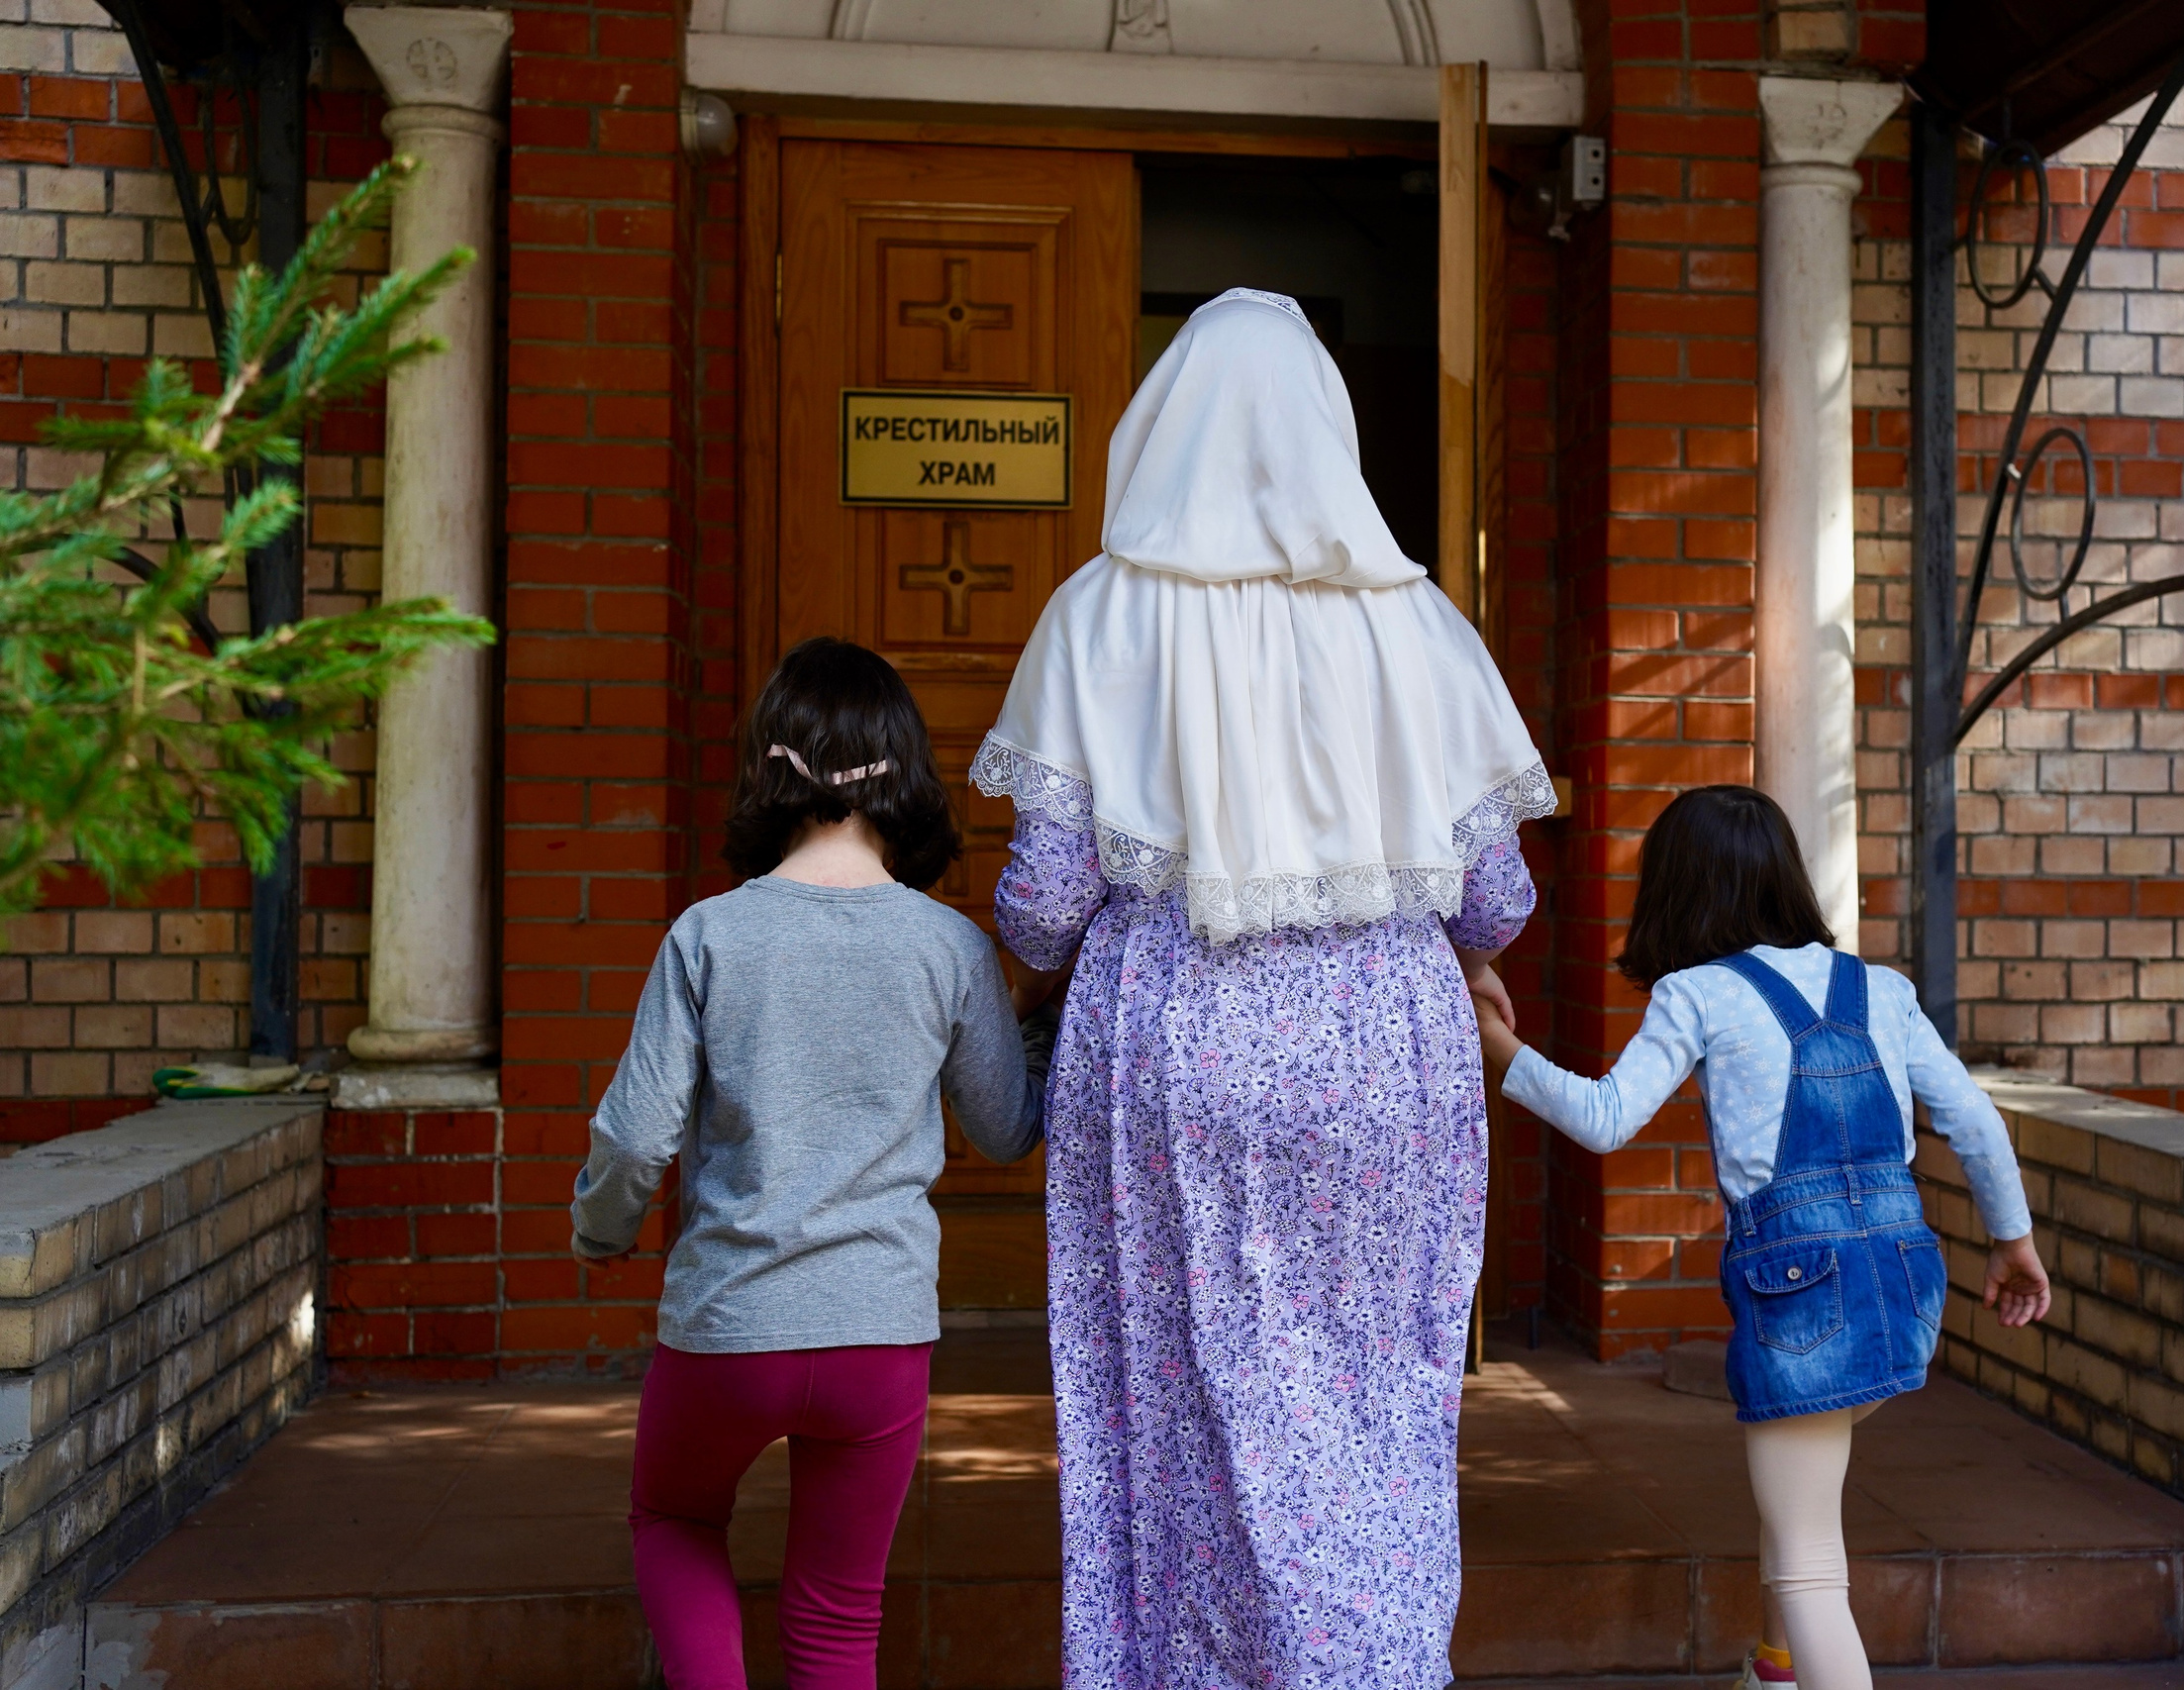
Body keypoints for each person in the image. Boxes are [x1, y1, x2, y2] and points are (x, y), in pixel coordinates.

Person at [970, 287, 1555, 1690]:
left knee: (1178, 1398)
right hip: (1387, 1053)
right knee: (1371, 1390)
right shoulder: (1418, 624)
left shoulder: (1099, 611)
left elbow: (1045, 903)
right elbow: (1499, 899)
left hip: (1180, 1047)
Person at [1466, 785, 2049, 1690]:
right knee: (1805, 1498)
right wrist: (2013, 1240)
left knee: (1810, 1562)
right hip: (1904, 1281)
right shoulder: (1881, 988)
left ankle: (1802, 1670)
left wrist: (1499, 1049)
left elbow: (1605, 1116)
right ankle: (1777, 1673)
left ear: (1676, 891)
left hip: (1803, 1292)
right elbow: (1973, 1119)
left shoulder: (1697, 992)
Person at [570, 638, 1054, 1690]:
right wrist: (1037, 1015)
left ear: (766, 767)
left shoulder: (709, 936)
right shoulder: (950, 949)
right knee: (839, 1615)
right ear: (907, 773)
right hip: (879, 1335)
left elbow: (635, 1134)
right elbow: (1008, 1130)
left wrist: (600, 1231)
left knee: (674, 1518)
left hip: (729, 1323)